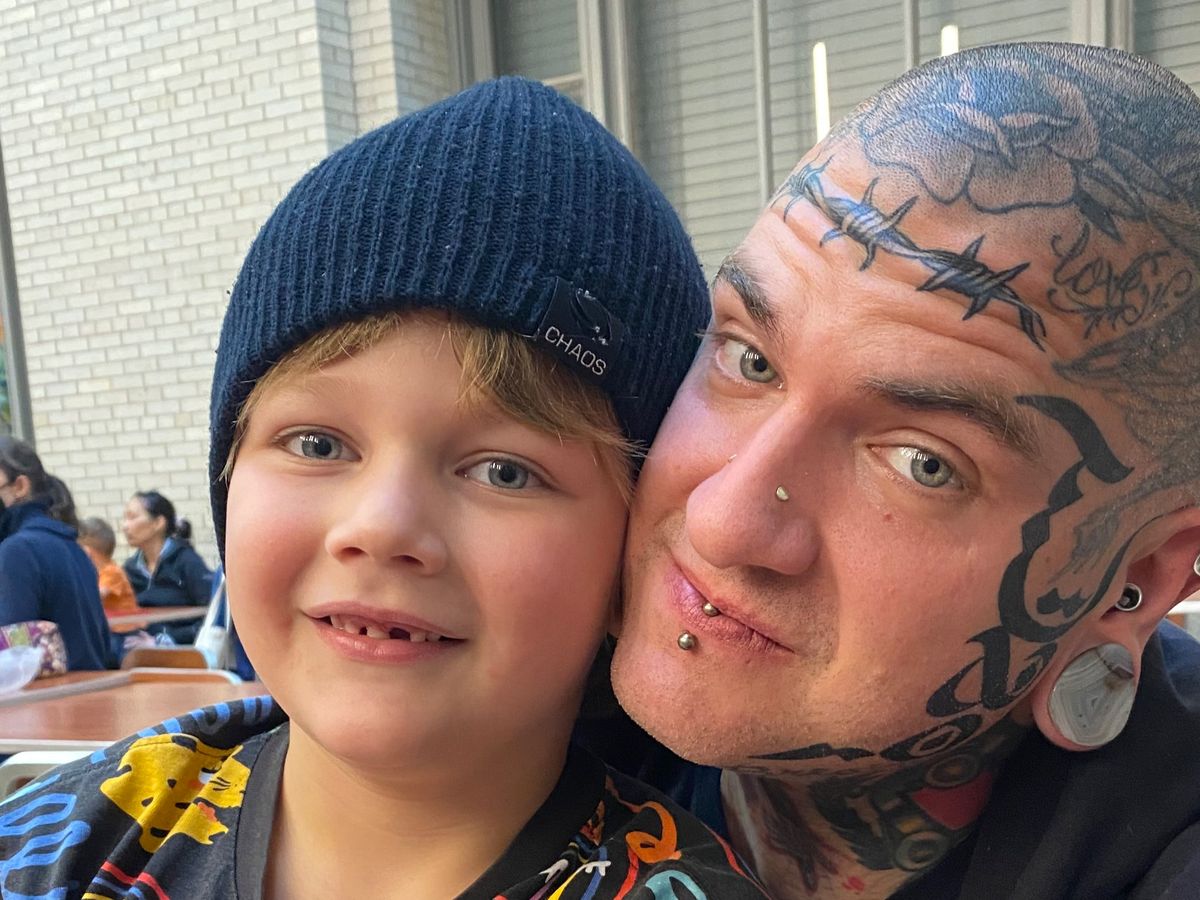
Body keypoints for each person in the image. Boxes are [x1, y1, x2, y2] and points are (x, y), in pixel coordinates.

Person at [0, 78, 765, 899]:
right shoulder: (63, 843)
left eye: (505, 471)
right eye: (318, 444)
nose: (381, 525)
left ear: (631, 558)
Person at [596, 42, 1200, 899]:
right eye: (748, 359)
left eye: (924, 463)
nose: (723, 521)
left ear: (1130, 583)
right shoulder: (520, 700)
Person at [0, 437, 111, 670]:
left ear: (20, 486)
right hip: (90, 689)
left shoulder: (18, 551)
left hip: (51, 693)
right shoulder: (71, 546)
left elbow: (9, 659)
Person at [121, 490, 213, 608]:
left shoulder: (187, 562)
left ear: (158, 523)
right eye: (125, 518)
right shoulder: (129, 569)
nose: (125, 526)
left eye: (133, 517)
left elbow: (211, 607)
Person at [77, 516, 138, 615]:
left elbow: (96, 596)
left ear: (86, 552)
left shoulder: (112, 572)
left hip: (126, 623)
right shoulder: (97, 573)